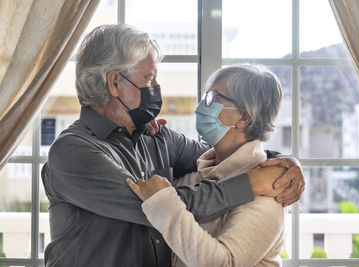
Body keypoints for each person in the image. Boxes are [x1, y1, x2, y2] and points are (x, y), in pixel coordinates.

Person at [41, 24, 304, 267]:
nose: (156, 87)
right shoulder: (74, 152)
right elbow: (158, 206)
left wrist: (284, 164)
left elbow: (228, 157)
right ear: (115, 83)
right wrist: (251, 183)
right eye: (148, 79)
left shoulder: (158, 138)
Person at [127, 64, 287, 267]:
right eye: (205, 97)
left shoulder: (268, 193)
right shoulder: (196, 173)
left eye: (213, 98)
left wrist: (163, 203)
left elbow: (222, 263)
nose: (200, 107)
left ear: (244, 118)